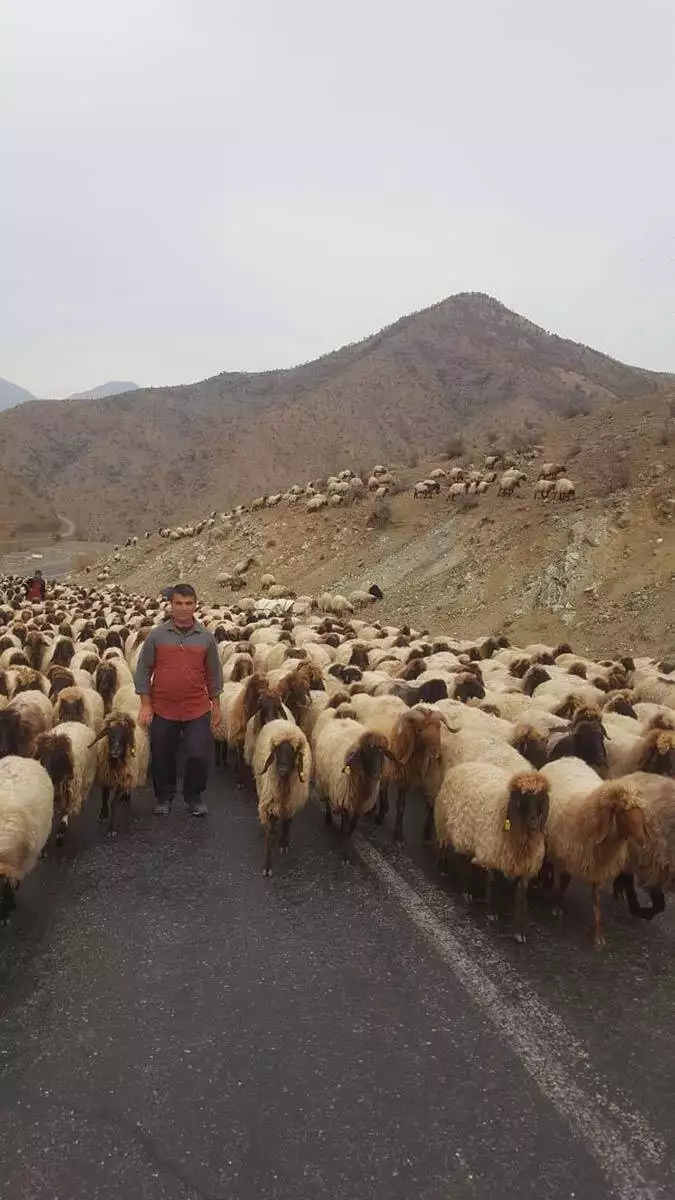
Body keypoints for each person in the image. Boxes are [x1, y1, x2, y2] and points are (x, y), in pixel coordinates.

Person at [134, 583, 223, 817]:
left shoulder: (205, 638)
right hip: (163, 707)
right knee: (162, 754)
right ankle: (164, 796)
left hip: (196, 707)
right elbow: (143, 669)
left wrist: (217, 705)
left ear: (195, 605)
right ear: (171, 605)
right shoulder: (157, 635)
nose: (183, 608)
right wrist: (145, 703)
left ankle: (194, 795)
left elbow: (214, 673)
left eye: (188, 604)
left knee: (198, 754)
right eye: (178, 604)